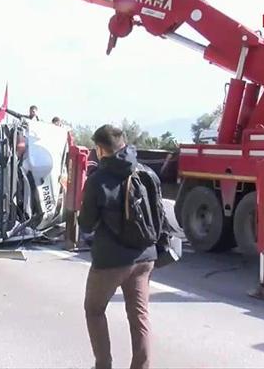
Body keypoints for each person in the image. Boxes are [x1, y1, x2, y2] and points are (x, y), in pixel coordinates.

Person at [78, 124, 163, 369]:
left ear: (101, 150)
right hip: (145, 256)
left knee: (94, 310)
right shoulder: (146, 171)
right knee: (139, 317)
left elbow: (87, 223)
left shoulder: (98, 180)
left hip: (111, 260)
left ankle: (103, 365)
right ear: (124, 145)